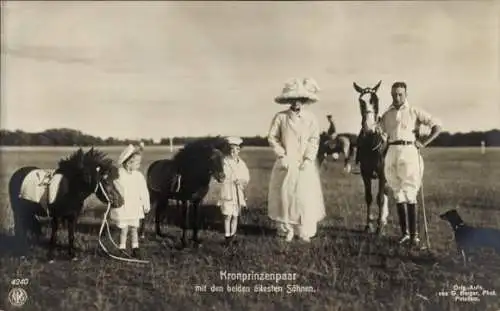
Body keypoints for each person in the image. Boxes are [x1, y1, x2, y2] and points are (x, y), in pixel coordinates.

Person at [379, 82, 442, 246]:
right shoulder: (387, 114)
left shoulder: (414, 111)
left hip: (409, 151)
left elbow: (437, 125)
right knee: (397, 192)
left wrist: (424, 142)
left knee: (410, 192)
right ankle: (405, 234)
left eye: (400, 94)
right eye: (394, 94)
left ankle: (414, 235)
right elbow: (379, 133)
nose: (397, 97)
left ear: (406, 94)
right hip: (392, 151)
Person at [267, 78, 326, 242]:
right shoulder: (281, 118)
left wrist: (308, 158)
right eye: (292, 99)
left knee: (304, 196)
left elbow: (314, 139)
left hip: (303, 162)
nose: (296, 103)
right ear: (288, 100)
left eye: (299, 99)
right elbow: (273, 138)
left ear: (304, 100)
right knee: (286, 195)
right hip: (286, 161)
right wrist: (281, 154)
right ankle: (287, 230)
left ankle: (304, 230)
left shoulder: (311, 118)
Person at [110, 144, 150, 259]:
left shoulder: (139, 176)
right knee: (124, 229)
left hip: (135, 207)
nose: (139, 165)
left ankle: (135, 248)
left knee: (134, 228)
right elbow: (113, 188)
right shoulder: (119, 175)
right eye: (137, 163)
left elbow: (144, 191)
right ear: (128, 163)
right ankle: (122, 248)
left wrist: (145, 203)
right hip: (124, 207)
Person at [217, 136, 250, 244]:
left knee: (235, 215)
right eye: (231, 150)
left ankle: (232, 235)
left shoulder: (242, 163)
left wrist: (241, 181)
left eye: (235, 150)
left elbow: (246, 176)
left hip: (238, 192)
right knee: (227, 215)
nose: (233, 152)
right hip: (227, 190)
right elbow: (221, 175)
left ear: (239, 150)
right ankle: (227, 236)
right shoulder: (224, 161)